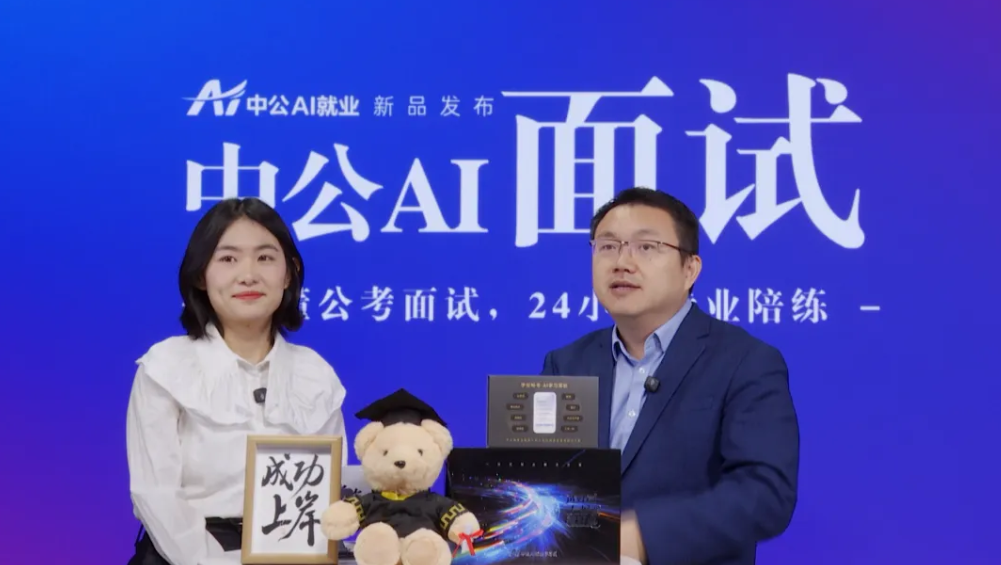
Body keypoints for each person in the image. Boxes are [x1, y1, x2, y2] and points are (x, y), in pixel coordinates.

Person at [540, 187, 799, 565]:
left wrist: (642, 535)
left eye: (646, 247)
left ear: (690, 269)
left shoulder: (746, 361)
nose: (622, 262)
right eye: (607, 246)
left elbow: (764, 494)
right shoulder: (566, 363)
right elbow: (540, 484)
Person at [126, 198, 349, 565]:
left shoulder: (315, 374)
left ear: (289, 273)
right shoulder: (165, 367)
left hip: (292, 556)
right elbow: (155, 492)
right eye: (228, 259)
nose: (248, 275)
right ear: (201, 274)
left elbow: (327, 492)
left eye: (265, 258)